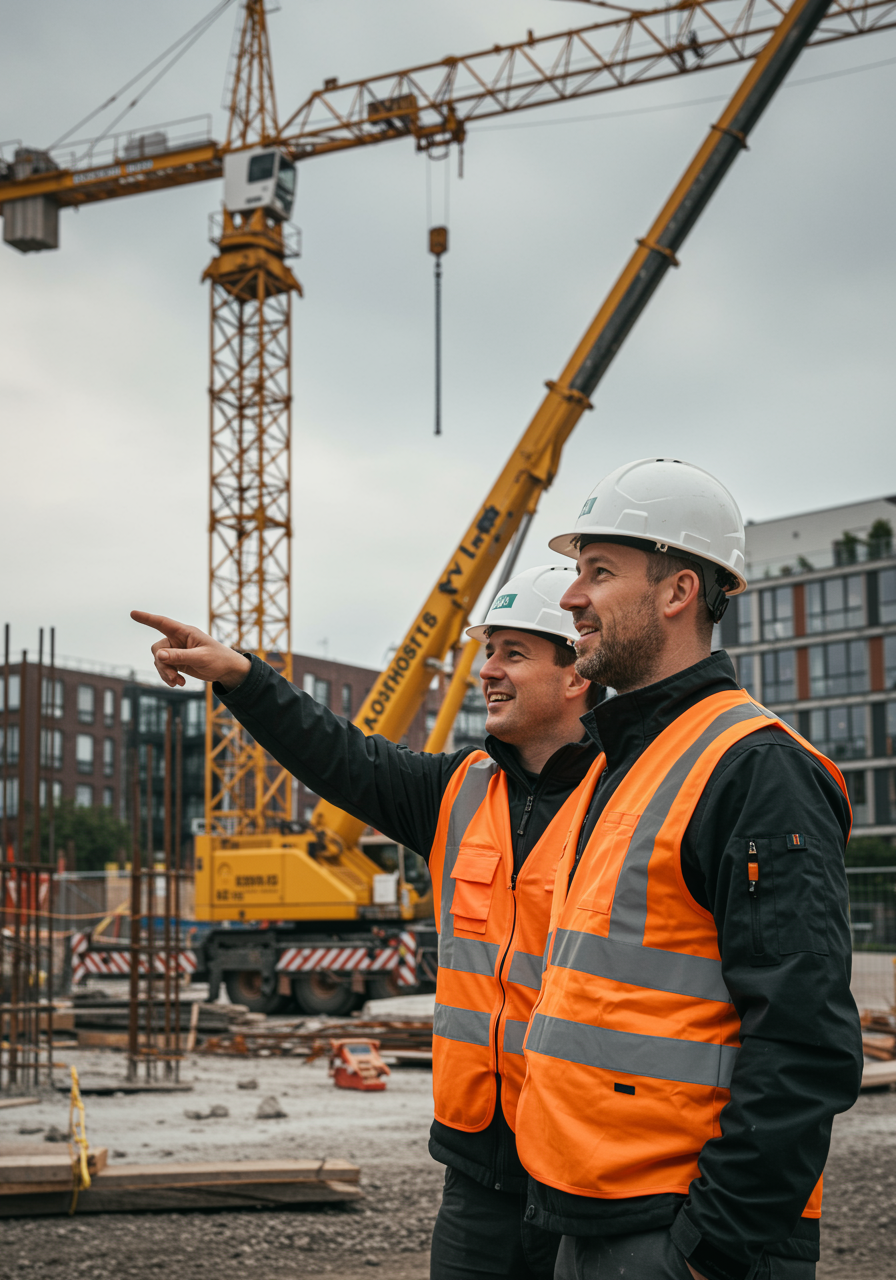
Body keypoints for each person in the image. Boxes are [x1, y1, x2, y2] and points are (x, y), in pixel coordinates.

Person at [132, 564, 604, 1280]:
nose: (487, 671)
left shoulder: (631, 797)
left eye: (514, 653)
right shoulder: (456, 791)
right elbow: (339, 754)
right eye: (488, 651)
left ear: (576, 675)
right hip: (479, 1164)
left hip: (593, 1167)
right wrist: (239, 676)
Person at [511, 458, 863, 1280]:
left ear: (677, 591)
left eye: (599, 572)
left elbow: (805, 1040)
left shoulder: (756, 770)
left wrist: (710, 1252)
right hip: (594, 1213)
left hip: (682, 1231)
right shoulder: (621, 764)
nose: (571, 597)